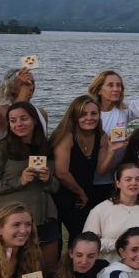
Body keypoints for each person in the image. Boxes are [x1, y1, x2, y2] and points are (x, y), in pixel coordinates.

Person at [0, 102, 61, 272]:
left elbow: (55, 188)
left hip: (44, 217)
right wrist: (20, 180)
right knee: (16, 271)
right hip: (14, 221)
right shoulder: (1, 149)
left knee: (47, 271)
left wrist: (48, 180)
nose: (19, 124)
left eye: (24, 119)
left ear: (34, 120)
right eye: (13, 120)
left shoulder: (45, 147)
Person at [86, 61, 139, 203]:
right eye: (110, 85)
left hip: (116, 178)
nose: (116, 89)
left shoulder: (123, 111)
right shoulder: (90, 115)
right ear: (98, 89)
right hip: (92, 179)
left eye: (119, 86)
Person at [82, 163, 139, 278]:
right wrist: (121, 244)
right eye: (128, 179)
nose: (134, 183)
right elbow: (88, 243)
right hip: (110, 268)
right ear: (118, 183)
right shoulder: (100, 210)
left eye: (138, 179)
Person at [50, 95, 119, 241]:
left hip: (84, 195)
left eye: (94, 113)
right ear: (75, 116)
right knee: (60, 240)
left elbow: (101, 170)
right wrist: (81, 193)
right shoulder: (66, 136)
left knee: (82, 236)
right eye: (83, 114)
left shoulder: (101, 136)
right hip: (61, 193)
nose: (89, 118)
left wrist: (111, 151)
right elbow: (61, 172)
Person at [0, 67, 48, 138]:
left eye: (32, 82)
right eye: (23, 84)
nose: (30, 87)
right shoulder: (2, 111)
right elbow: (17, 113)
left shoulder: (42, 113)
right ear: (11, 88)